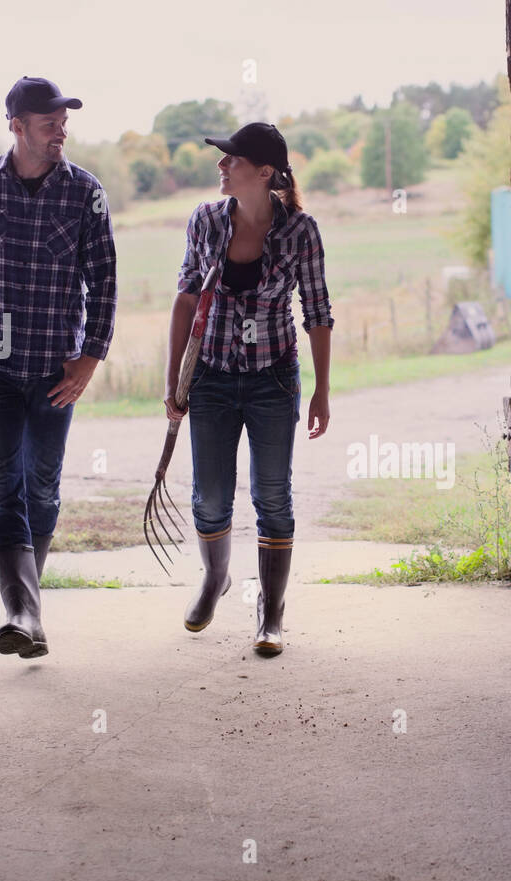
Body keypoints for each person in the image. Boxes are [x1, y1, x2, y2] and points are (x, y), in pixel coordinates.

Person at [0, 76, 117, 658]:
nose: (61, 129)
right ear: (16, 125)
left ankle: (26, 609)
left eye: (64, 121)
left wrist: (90, 357)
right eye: (49, 121)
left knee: (43, 486)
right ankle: (23, 613)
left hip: (56, 367)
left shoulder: (85, 192)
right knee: (1, 484)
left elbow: (104, 280)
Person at [165, 122, 333, 657]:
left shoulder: (300, 232)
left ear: (263, 173)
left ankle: (271, 610)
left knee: (272, 495)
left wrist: (321, 391)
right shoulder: (205, 222)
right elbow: (187, 300)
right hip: (211, 376)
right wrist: (175, 382)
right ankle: (215, 580)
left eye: (231, 159)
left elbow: (319, 314)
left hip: (274, 378)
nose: (221, 166)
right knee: (210, 497)